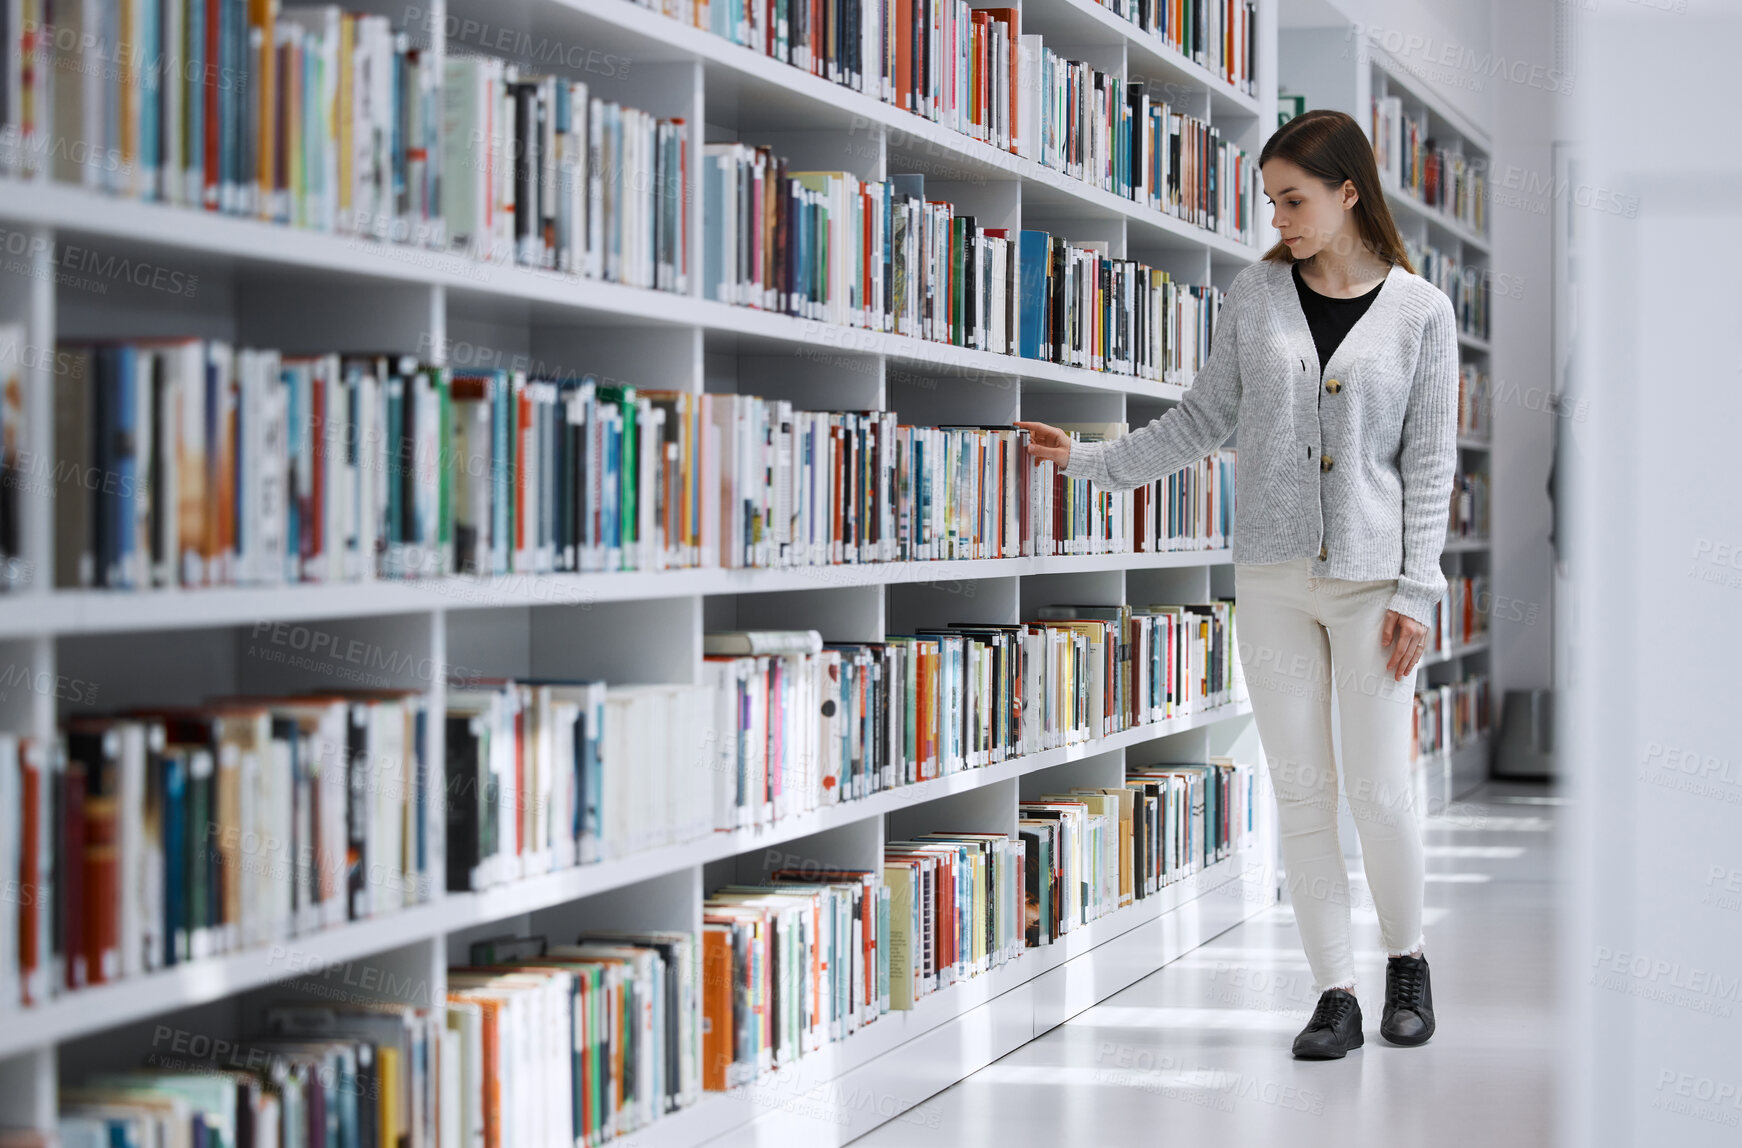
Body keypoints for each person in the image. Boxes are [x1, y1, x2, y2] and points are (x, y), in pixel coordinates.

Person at [1016, 108, 1456, 1061]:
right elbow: (1200, 420)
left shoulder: (1422, 312)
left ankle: (1407, 960)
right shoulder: (1254, 296)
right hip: (1270, 576)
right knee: (1300, 790)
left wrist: (1417, 591)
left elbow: (1430, 464)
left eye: (1295, 200)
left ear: (1349, 192)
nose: (1281, 219)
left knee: (1379, 789)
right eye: (1272, 201)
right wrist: (1093, 465)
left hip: (1373, 585)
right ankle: (1333, 991)